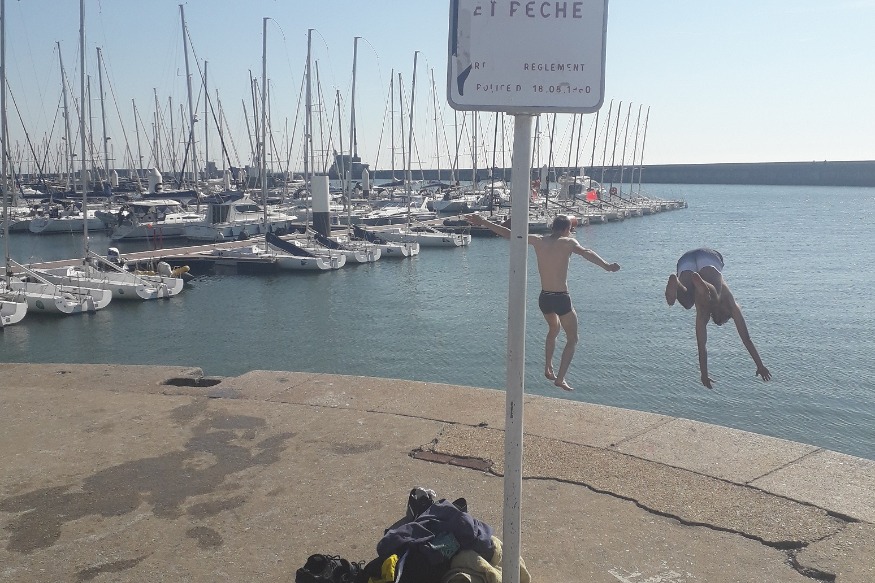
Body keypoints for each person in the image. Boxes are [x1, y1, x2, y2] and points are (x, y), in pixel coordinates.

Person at [466, 213, 620, 391]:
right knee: (572, 339)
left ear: (552, 227)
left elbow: (509, 234)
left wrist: (483, 222)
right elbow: (587, 253)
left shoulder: (538, 240)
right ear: (566, 229)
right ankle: (560, 378)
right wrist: (607, 266)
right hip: (561, 298)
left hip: (545, 298)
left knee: (554, 329)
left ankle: (548, 367)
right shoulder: (569, 242)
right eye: (570, 229)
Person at [664, 248, 771, 389]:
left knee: (688, 302)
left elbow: (746, 339)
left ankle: (679, 284)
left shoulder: (730, 308)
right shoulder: (711, 312)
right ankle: (690, 286)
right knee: (701, 300)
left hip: (698, 258)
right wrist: (703, 374)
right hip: (694, 261)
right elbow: (702, 346)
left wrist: (760, 365)